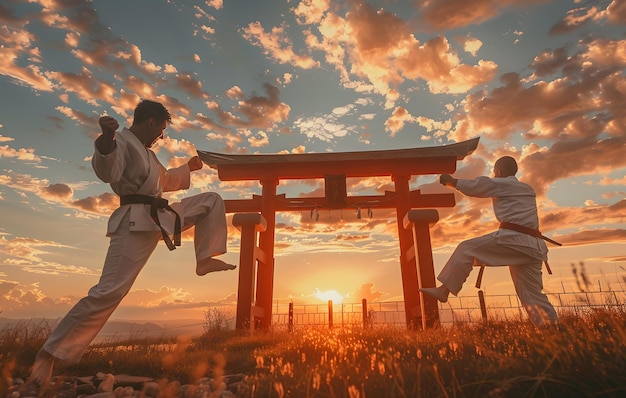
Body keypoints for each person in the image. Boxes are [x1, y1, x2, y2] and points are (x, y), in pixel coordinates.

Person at [29, 100, 236, 385]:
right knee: (107, 292)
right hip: (133, 222)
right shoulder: (122, 141)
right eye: (161, 130)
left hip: (157, 216)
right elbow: (108, 172)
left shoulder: (148, 155)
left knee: (211, 200)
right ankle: (47, 356)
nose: (161, 137)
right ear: (150, 122)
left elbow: (164, 180)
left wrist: (188, 168)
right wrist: (105, 140)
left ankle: (204, 258)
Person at [420, 156, 558, 326]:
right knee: (532, 294)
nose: (494, 175)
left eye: (494, 172)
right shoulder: (527, 189)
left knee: (466, 249)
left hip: (515, 239)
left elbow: (479, 186)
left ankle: (444, 290)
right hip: (535, 247)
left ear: (499, 171)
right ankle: (552, 329)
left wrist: (450, 181)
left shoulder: (505, 183)